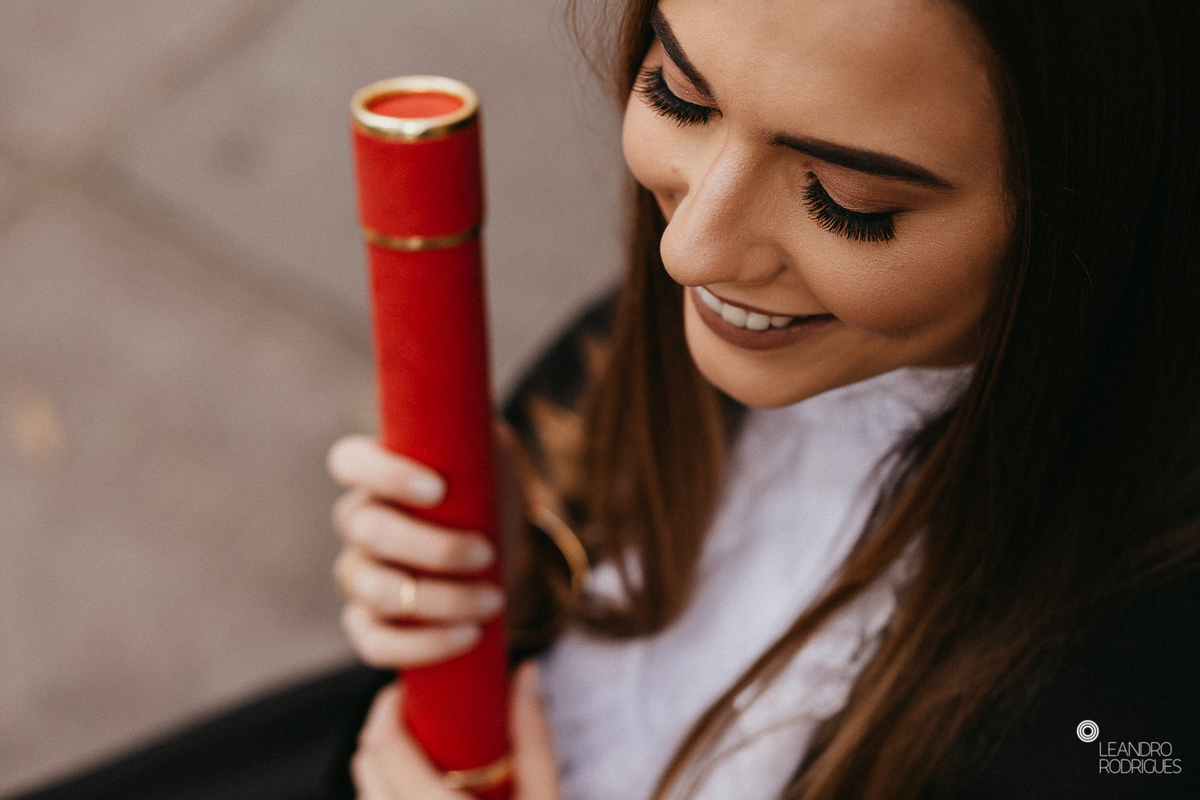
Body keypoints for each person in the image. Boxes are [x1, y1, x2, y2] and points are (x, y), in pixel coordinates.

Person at [13, 0, 1198, 798]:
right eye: (679, 95)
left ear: (1099, 206)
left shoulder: (1138, 716)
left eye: (846, 200)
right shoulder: (694, 337)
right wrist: (527, 573)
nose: (691, 249)